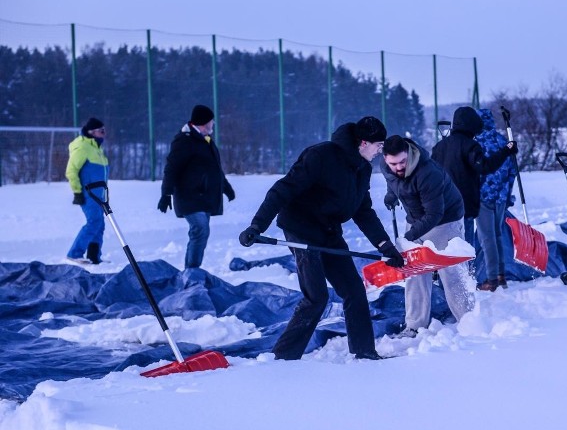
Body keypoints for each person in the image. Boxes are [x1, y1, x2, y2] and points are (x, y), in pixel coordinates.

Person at [238, 117, 404, 361]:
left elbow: (363, 211)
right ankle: (283, 357)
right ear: (363, 142)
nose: (381, 151)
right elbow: (282, 189)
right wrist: (257, 224)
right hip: (301, 229)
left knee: (354, 290)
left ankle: (365, 351)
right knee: (316, 297)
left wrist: (385, 246)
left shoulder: (362, 169)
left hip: (328, 231)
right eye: (378, 145)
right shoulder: (321, 156)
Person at [381, 134, 474, 334]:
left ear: (409, 153)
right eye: (393, 163)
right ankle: (414, 324)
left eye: (402, 162)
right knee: (414, 271)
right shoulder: (386, 166)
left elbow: (434, 214)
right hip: (415, 219)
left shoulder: (427, 172)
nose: (398, 167)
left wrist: (407, 238)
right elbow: (393, 181)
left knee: (451, 273)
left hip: (445, 220)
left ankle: (469, 322)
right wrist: (391, 195)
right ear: (385, 159)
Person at [158, 104, 235, 269]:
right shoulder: (184, 141)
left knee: (202, 232)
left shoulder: (205, 140)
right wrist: (166, 194)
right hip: (189, 197)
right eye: (211, 121)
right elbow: (172, 168)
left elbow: (214, 169)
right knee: (200, 229)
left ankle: (192, 269)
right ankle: (192, 270)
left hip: (203, 197)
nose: (213, 124)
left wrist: (226, 187)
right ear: (203, 122)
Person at [430, 106, 518, 246]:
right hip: (463, 208)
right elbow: (484, 166)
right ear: (472, 125)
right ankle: (468, 268)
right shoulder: (470, 145)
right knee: (465, 251)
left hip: (441, 209)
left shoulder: (439, 147)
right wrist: (506, 151)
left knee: (445, 250)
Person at [474, 108, 518, 291]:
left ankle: (491, 279)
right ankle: (501, 276)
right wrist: (507, 194)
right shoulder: (503, 142)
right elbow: (512, 171)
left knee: (487, 238)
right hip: (501, 197)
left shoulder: (476, 143)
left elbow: (476, 170)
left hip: (483, 197)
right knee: (497, 235)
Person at [65, 117, 109, 264]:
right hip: (88, 193)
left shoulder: (97, 148)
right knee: (94, 222)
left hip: (99, 194)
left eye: (104, 130)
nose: (104, 134)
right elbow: (71, 171)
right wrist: (77, 192)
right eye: (101, 131)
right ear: (91, 132)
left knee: (99, 224)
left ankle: (94, 256)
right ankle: (74, 253)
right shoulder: (82, 147)